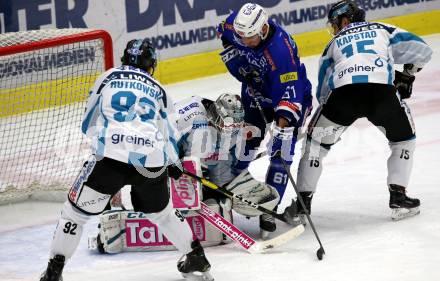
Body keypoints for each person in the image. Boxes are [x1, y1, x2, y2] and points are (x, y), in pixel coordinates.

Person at [40, 39, 213, 281]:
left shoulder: (108, 76)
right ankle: (196, 257)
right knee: (162, 214)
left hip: (110, 158)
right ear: (151, 64)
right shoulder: (160, 89)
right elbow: (170, 134)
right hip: (151, 162)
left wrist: (105, 147)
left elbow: (88, 122)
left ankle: (53, 271)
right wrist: (173, 163)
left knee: (74, 215)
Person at [286, 0, 432, 221]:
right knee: (404, 140)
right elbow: (423, 50)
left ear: (345, 20)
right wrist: (408, 74)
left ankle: (303, 204)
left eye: (335, 23)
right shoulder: (383, 30)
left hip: (343, 96)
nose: (334, 29)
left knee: (315, 145)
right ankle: (399, 198)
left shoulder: (333, 43)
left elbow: (323, 89)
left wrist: (330, 122)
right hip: (382, 93)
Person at [216, 3, 313, 235]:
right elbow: (223, 33)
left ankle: (270, 209)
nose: (244, 41)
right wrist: (238, 65)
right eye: (241, 36)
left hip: (290, 97)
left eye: (249, 37)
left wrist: (281, 132)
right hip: (255, 92)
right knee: (245, 144)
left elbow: (289, 96)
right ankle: (226, 188)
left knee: (282, 153)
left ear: (262, 30)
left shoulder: (281, 52)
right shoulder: (238, 24)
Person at [176, 94, 280, 232]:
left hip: (203, 164)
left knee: (229, 186)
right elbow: (162, 146)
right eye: (228, 125)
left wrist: (222, 189)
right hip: (172, 164)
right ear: (215, 116)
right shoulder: (188, 118)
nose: (231, 130)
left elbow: (225, 163)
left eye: (236, 126)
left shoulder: (234, 129)